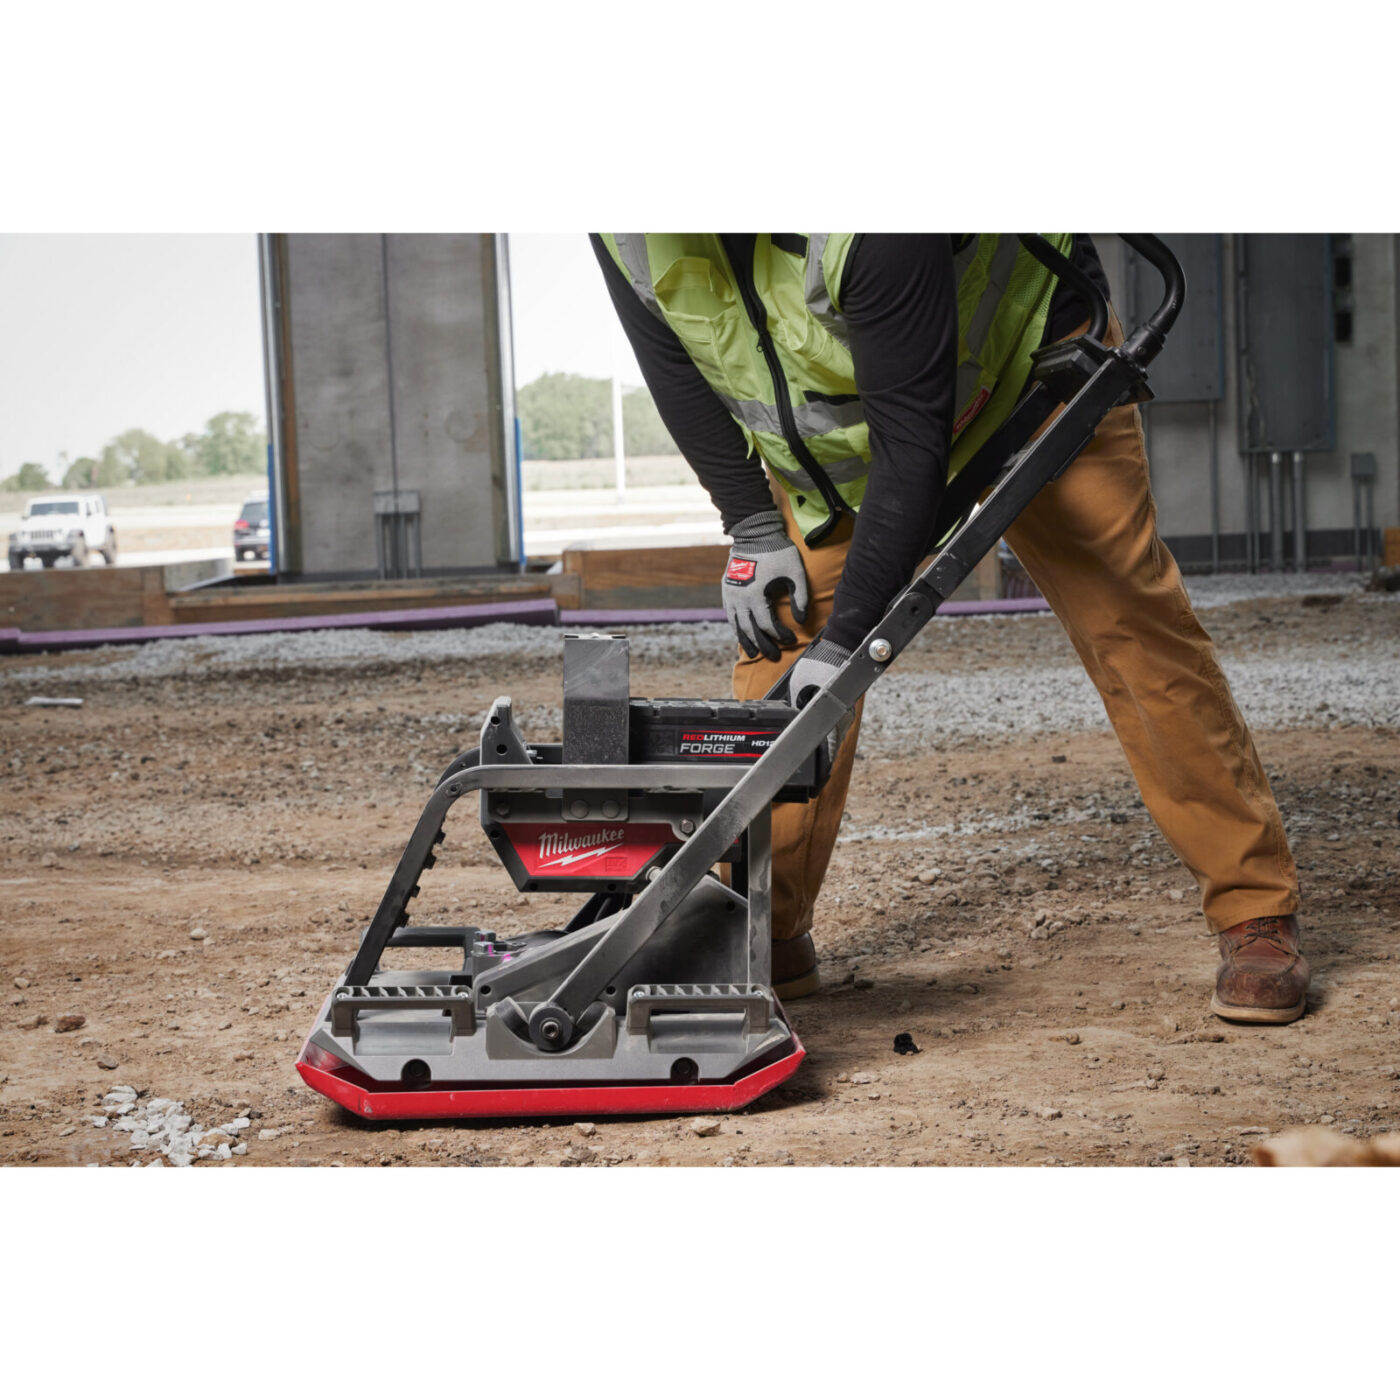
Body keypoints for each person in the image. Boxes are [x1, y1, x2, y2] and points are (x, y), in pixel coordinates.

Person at [591, 233, 1309, 1025]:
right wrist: (753, 526)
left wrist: (848, 646)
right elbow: (671, 361)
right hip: (847, 443)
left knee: (1129, 622)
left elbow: (914, 441)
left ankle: (1254, 906)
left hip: (1028, 368)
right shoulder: (626, 226)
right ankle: (760, 925)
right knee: (787, 650)